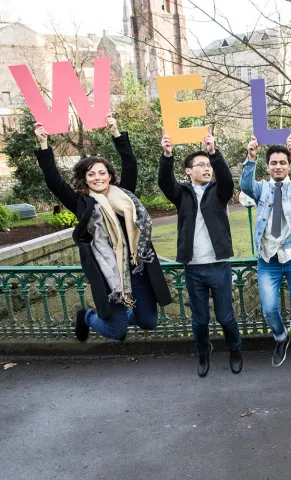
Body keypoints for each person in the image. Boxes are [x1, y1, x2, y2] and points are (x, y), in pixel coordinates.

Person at [34, 115, 172, 342]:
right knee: (116, 332)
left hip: (136, 269)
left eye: (102, 172)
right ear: (84, 179)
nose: (97, 177)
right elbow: (54, 181)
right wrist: (43, 145)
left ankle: (128, 308)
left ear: (109, 176)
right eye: (91, 174)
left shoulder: (124, 195)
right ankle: (88, 317)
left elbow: (130, 164)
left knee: (148, 322)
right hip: (107, 274)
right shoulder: (80, 202)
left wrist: (116, 133)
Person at [158, 129, 243, 377]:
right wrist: (166, 155)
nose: (207, 169)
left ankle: (235, 350)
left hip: (218, 266)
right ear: (188, 171)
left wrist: (213, 153)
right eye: (201, 165)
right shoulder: (181, 194)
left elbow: (227, 178)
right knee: (200, 320)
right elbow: (165, 182)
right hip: (193, 268)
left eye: (209, 165)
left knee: (226, 317)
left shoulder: (219, 191)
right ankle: (203, 353)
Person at [240, 134, 291, 367]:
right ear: (268, 166)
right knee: (269, 308)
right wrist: (250, 158)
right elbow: (245, 185)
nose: (278, 166)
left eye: (283, 162)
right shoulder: (261, 189)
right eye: (274, 162)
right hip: (268, 258)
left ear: (289, 166)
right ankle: (281, 338)